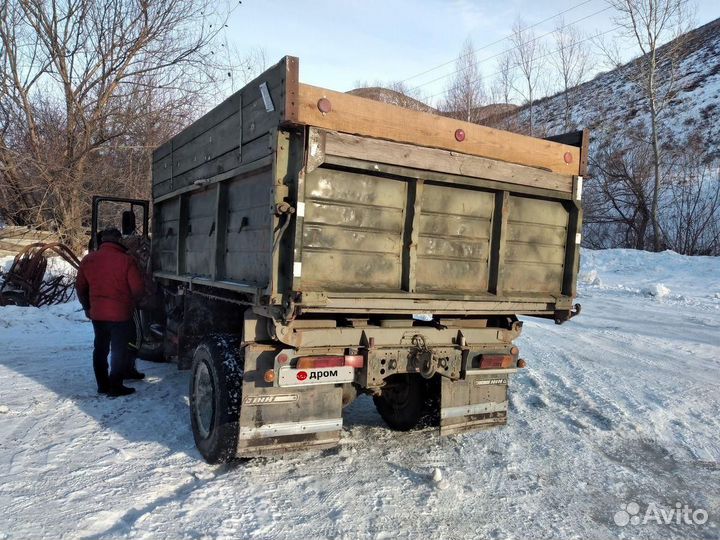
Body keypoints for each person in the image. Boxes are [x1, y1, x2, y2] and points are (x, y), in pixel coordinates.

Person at [76, 227, 145, 396]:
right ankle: (116, 386)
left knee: (100, 348)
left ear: (102, 241)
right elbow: (137, 289)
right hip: (121, 315)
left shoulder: (88, 260)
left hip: (98, 314)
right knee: (119, 350)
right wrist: (134, 303)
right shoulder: (126, 261)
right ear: (119, 240)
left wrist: (87, 308)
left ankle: (102, 385)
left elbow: (80, 288)